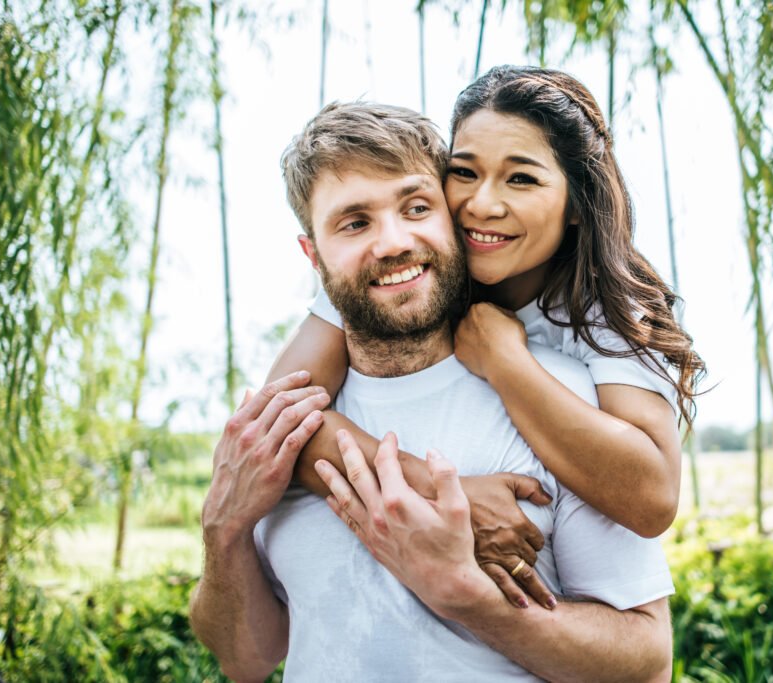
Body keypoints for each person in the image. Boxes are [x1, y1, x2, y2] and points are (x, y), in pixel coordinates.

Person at [190, 101, 674, 681]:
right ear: (313, 256)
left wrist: (465, 595)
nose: (392, 242)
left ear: (449, 222)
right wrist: (222, 530)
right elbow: (246, 662)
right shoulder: (282, 435)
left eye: (416, 207)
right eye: (354, 222)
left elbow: (647, 663)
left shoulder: (568, 391)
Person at [268, 66, 704, 605]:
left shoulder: (609, 308)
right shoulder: (409, 267)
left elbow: (652, 497)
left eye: (521, 179)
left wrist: (505, 362)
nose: (482, 205)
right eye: (465, 173)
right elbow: (280, 422)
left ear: (576, 204)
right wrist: (445, 496)